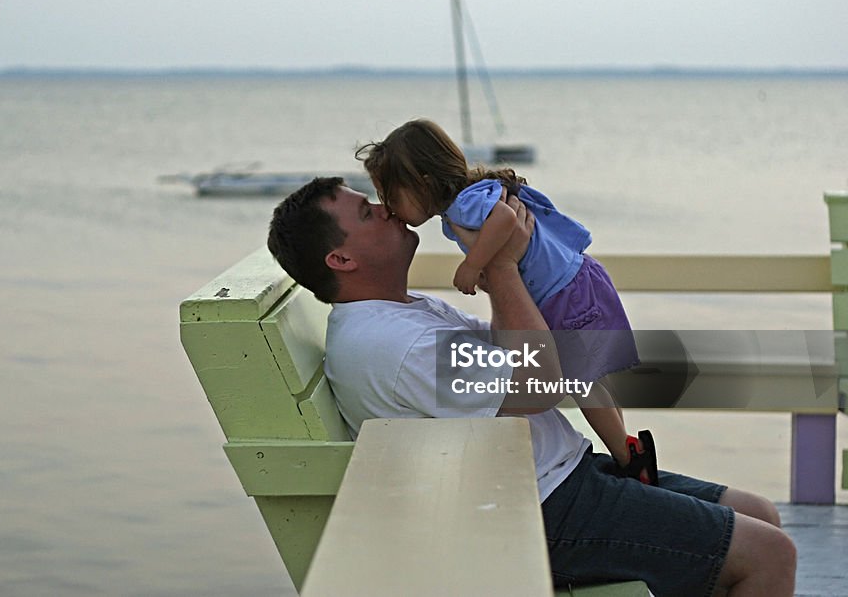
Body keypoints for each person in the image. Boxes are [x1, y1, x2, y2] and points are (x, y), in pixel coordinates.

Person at [266, 176, 796, 597]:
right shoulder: (391, 345)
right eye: (366, 212)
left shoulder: (400, 314)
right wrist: (501, 267)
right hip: (539, 508)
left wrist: (527, 267)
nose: (384, 207)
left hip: (557, 476)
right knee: (770, 556)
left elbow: (517, 354)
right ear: (341, 259)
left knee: (760, 515)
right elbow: (541, 381)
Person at [355, 119, 653, 483]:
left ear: (421, 182)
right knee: (590, 378)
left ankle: (628, 460)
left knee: (580, 381)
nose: (388, 207)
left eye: (390, 194)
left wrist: (472, 264)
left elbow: (506, 219)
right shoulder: (471, 197)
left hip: (563, 291)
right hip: (572, 283)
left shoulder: (465, 204)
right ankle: (628, 451)